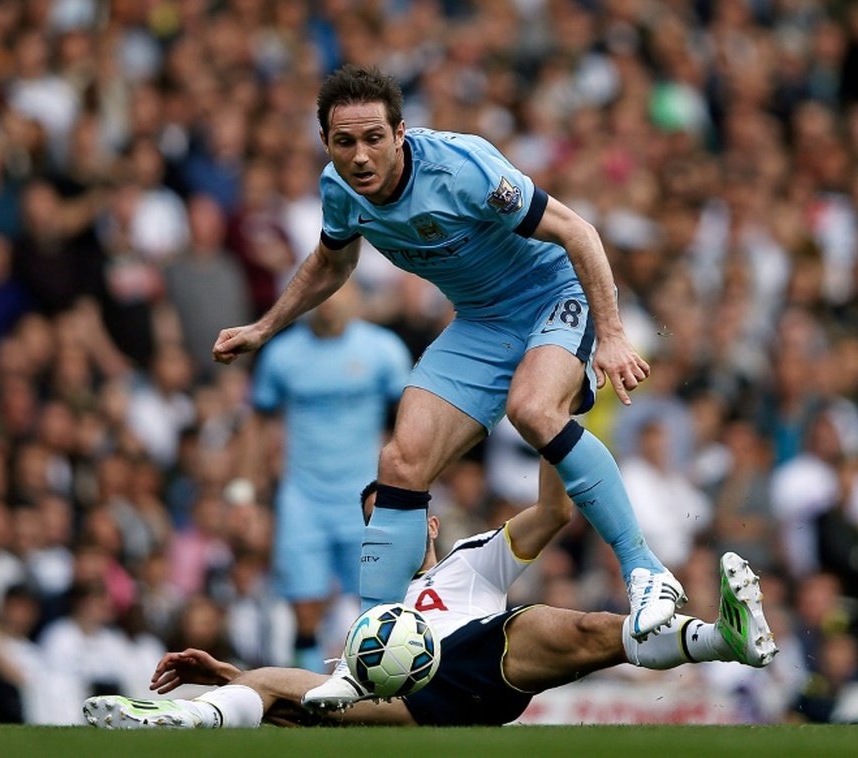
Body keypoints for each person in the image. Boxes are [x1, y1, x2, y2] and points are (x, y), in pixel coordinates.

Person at [211, 64, 682, 708]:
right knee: (400, 462)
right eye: (344, 142)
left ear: (401, 133)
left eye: (374, 137)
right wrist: (266, 327)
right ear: (326, 142)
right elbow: (332, 260)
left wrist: (613, 334)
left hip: (552, 299)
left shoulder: (463, 171)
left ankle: (647, 572)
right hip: (482, 324)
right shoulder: (339, 192)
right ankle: (366, 653)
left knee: (533, 410)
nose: (360, 155)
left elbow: (578, 231)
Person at [82, 466, 778, 729]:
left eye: (398, 516)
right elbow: (322, 687)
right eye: (376, 522)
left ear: (431, 524)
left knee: (568, 627)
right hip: (402, 702)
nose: (387, 530)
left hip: (482, 665)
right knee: (275, 692)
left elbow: (553, 513)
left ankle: (726, 640)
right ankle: (179, 722)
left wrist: (549, 426)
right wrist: (236, 681)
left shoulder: (474, 561)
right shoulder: (369, 612)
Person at [245, 278, 412, 672]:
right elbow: (257, 424)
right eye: (320, 294)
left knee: (372, 603)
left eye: (338, 292)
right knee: (304, 606)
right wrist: (244, 494)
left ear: (355, 296)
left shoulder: (383, 350)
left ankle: (369, 687)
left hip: (365, 497)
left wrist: (407, 484)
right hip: (302, 496)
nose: (329, 303)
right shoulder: (282, 355)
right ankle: (306, 690)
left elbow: (408, 419)